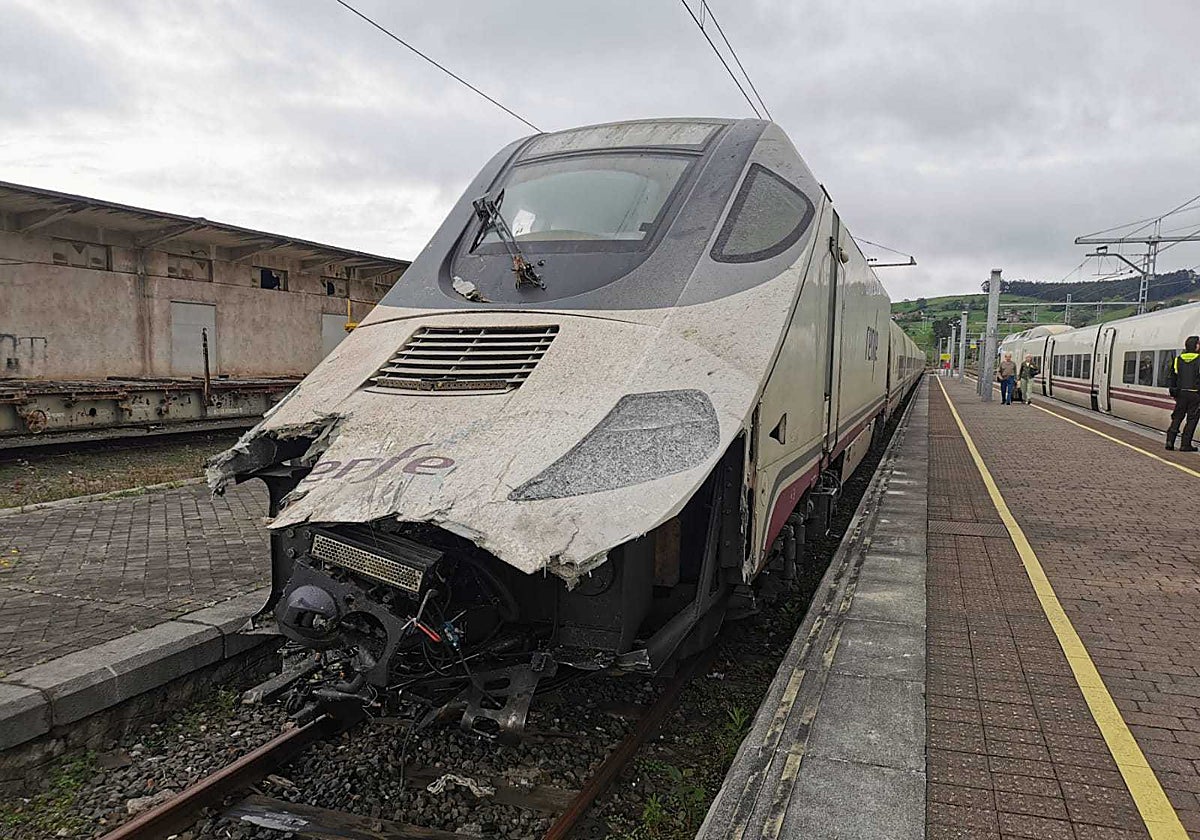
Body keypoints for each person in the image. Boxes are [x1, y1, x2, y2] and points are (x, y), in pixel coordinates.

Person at [1166, 335, 1200, 451]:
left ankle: (1170, 441)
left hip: (1181, 394)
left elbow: (1173, 377)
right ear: (1195, 346)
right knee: (1192, 419)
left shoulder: (1178, 359)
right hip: (1195, 394)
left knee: (1177, 417)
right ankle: (1185, 444)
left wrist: (1174, 391)